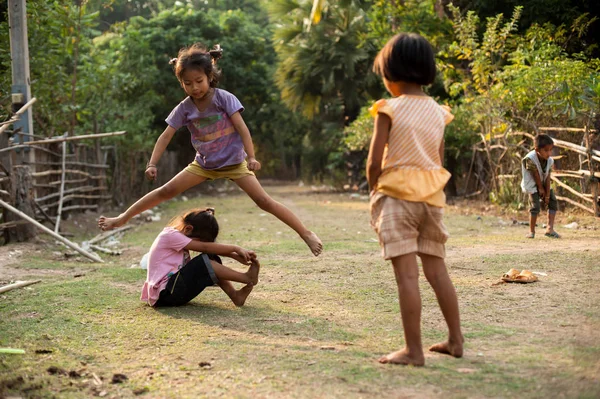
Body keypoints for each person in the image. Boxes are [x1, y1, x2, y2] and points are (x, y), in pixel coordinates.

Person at [98, 43, 322, 256]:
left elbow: (242, 129)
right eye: (187, 83)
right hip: (204, 165)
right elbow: (166, 135)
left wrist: (252, 157)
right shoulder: (184, 108)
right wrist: (152, 163)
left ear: (209, 77)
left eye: (199, 81)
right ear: (181, 83)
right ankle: (122, 218)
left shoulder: (224, 99)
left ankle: (305, 233)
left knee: (264, 201)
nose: (194, 87)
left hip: (234, 163)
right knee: (165, 191)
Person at [366, 33, 463, 366]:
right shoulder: (439, 112)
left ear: (391, 74)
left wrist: (373, 188)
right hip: (431, 200)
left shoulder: (387, 108)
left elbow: (374, 162)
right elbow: (437, 159)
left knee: (407, 277)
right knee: (438, 273)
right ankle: (455, 340)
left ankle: (414, 351)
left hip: (396, 197)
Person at [142, 207, 260, 307]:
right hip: (165, 294)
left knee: (211, 258)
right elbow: (205, 247)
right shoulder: (170, 236)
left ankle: (235, 295)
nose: (202, 244)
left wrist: (235, 256)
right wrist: (235, 248)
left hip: (174, 290)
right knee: (204, 262)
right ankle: (246, 278)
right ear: (188, 229)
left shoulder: (178, 235)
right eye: (202, 240)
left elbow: (209, 248)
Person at [521, 134, 560, 238]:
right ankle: (531, 231)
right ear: (537, 149)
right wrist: (541, 189)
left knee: (552, 202)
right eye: (546, 150)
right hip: (532, 184)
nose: (549, 153)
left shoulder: (549, 160)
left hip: (543, 182)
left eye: (550, 150)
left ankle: (549, 229)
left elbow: (547, 176)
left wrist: (547, 194)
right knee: (535, 207)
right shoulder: (529, 159)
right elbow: (535, 174)